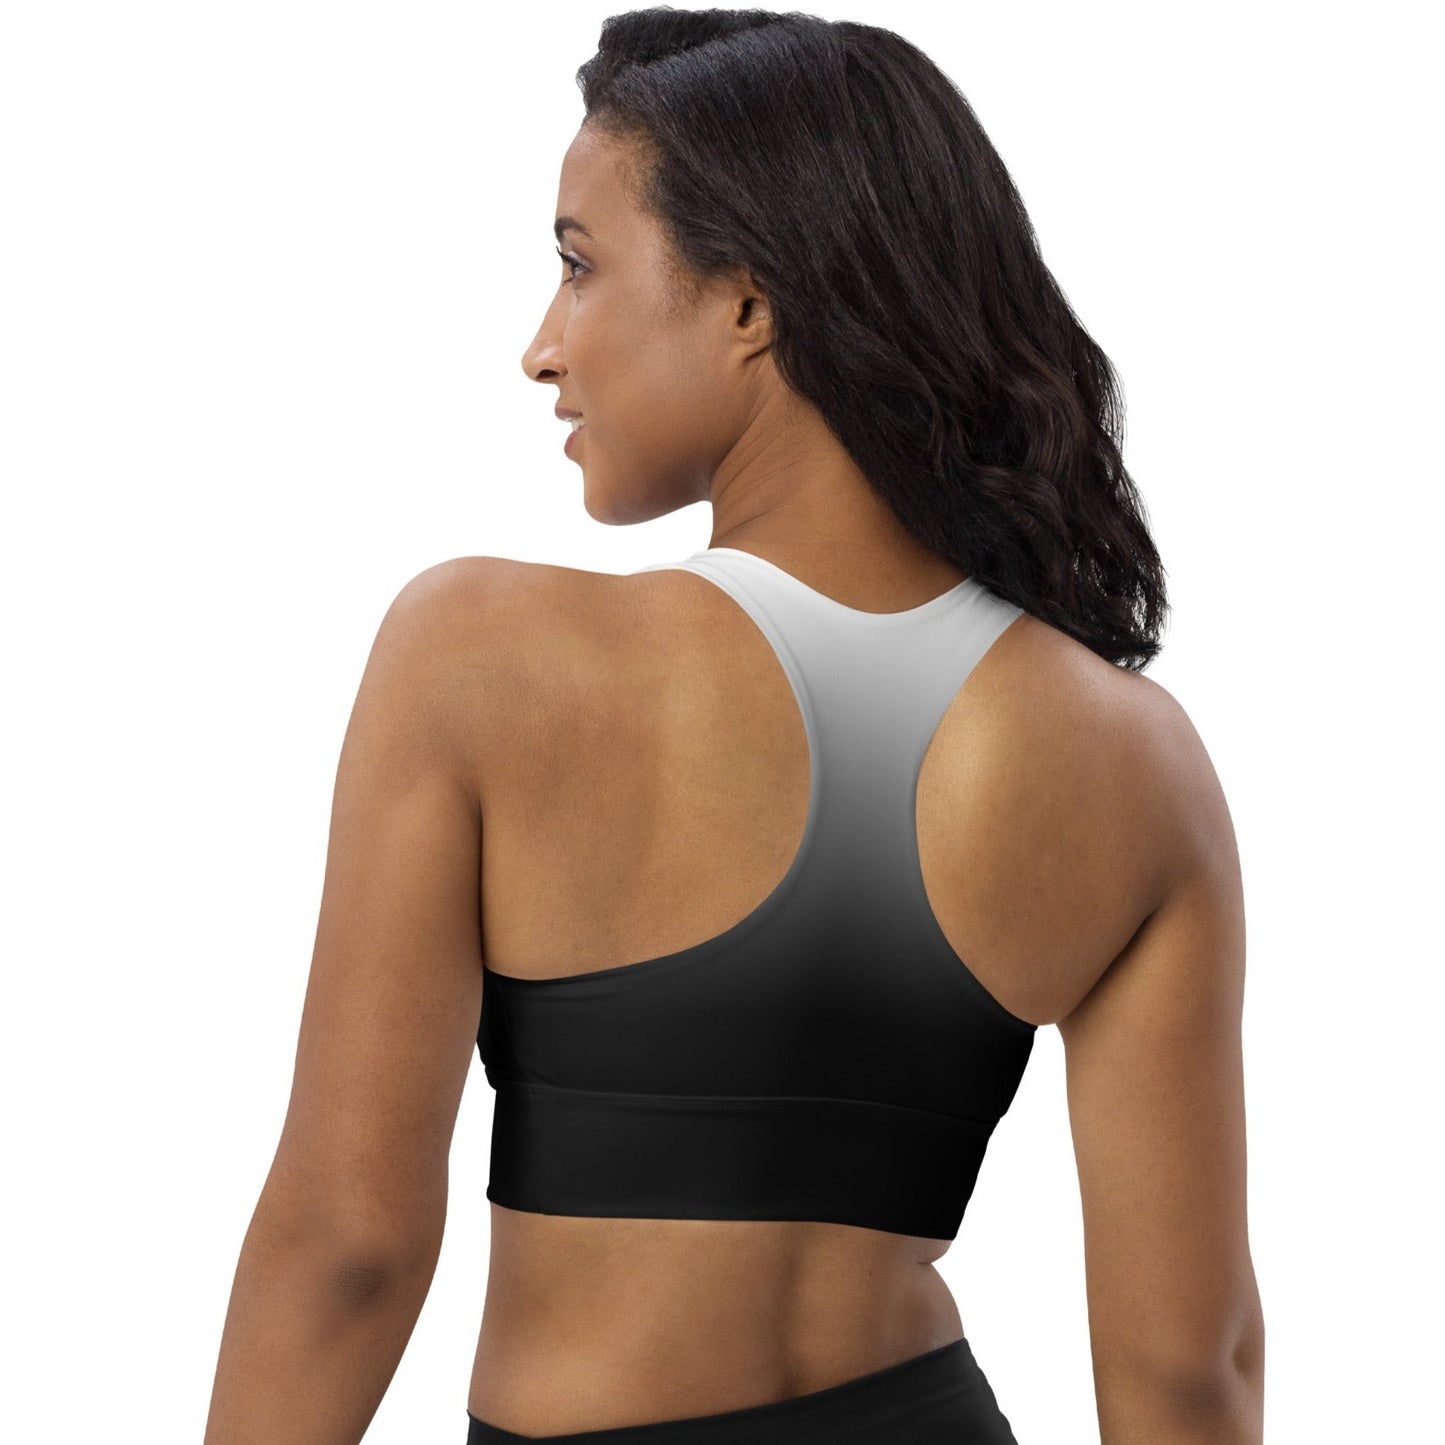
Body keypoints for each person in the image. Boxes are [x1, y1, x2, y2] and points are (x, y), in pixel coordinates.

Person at [203, 9, 1265, 1443]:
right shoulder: (1136, 759)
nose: (540, 346)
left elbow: (347, 1248)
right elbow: (1189, 1368)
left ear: (750, 305)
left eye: (580, 264)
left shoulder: (481, 655)